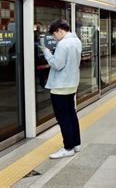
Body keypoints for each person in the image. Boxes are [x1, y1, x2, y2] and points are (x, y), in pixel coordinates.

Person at [40, 19, 82, 159]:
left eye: (54, 35)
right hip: (71, 84)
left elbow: (57, 64)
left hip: (60, 86)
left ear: (60, 31)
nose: (54, 38)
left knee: (63, 117)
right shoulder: (76, 41)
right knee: (71, 114)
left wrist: (47, 53)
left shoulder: (63, 44)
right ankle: (76, 143)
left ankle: (68, 147)